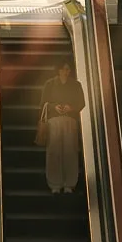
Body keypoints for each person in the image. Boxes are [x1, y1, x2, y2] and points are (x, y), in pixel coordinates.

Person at [39, 59, 85, 193]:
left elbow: (81, 103)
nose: (67, 72)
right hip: (54, 121)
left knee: (70, 151)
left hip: (70, 120)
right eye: (64, 69)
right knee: (54, 151)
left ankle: (69, 183)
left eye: (68, 69)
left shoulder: (76, 85)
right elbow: (43, 102)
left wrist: (71, 108)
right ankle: (54, 183)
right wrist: (54, 106)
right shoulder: (50, 84)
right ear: (58, 70)